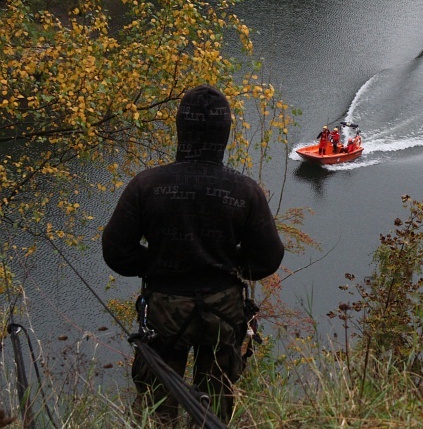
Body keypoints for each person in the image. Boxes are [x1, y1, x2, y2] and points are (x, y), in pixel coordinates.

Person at [102, 85, 285, 425]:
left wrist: (156, 265)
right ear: (224, 134)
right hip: (223, 307)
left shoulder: (146, 185)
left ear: (180, 130)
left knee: (159, 402)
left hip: (165, 307)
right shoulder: (244, 190)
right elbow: (268, 257)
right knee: (215, 399)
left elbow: (116, 251)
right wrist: (232, 265)